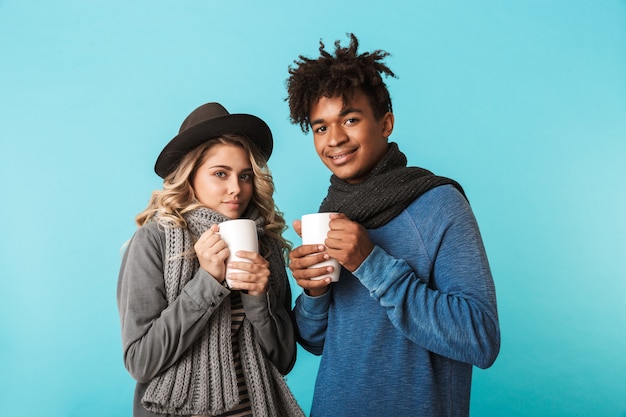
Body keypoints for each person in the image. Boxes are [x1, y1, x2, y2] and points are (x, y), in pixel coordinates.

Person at [285, 34, 501, 416]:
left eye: (350, 119)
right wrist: (313, 293)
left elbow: (480, 338)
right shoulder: (331, 212)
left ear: (385, 123)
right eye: (320, 128)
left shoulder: (438, 204)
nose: (334, 139)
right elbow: (318, 341)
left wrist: (371, 263)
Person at [117, 102, 304, 417]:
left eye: (245, 175)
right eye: (221, 174)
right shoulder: (154, 241)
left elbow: (284, 360)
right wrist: (208, 281)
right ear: (189, 177)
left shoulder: (265, 244)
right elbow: (140, 361)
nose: (236, 189)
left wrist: (259, 296)